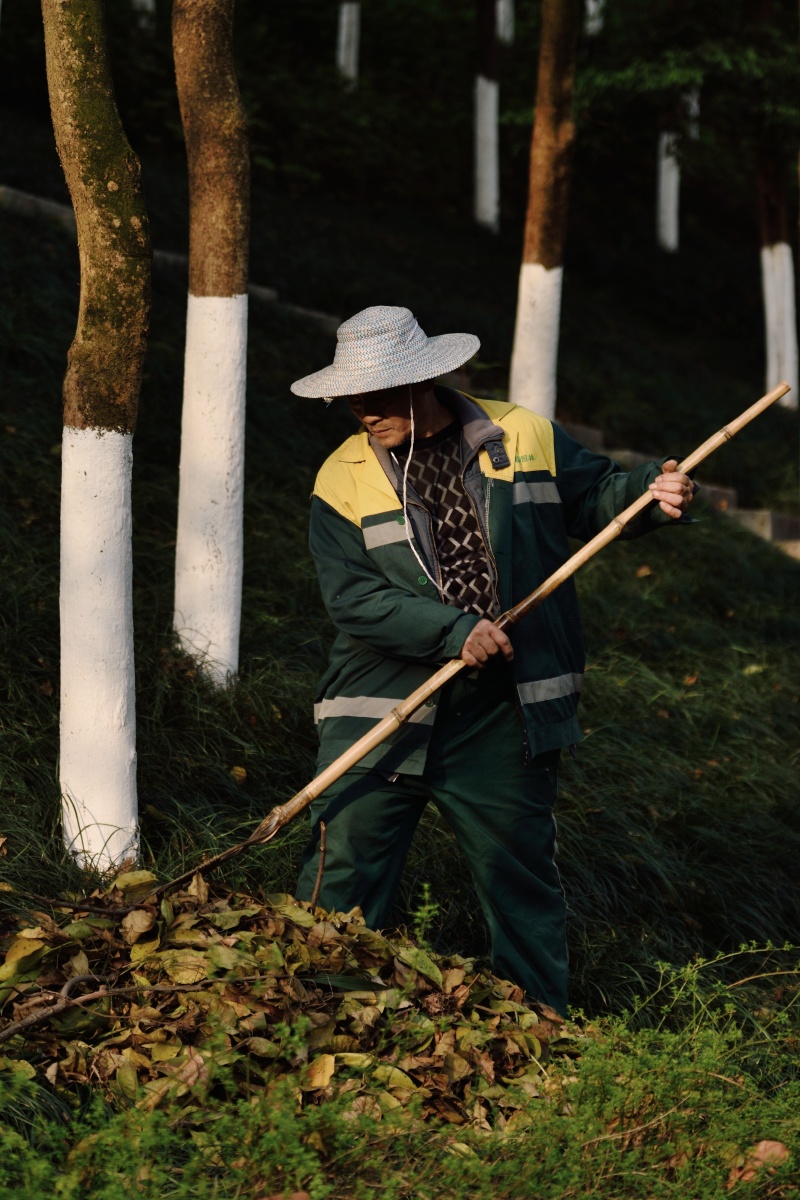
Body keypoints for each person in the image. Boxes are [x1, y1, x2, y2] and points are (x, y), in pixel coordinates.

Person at [290, 305, 695, 1015]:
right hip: (379, 708)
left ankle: (539, 1033)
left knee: (521, 884)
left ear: (424, 380)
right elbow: (352, 598)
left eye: (376, 395)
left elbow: (595, 496)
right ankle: (316, 1025)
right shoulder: (340, 477)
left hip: (502, 714)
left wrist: (648, 493)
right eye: (350, 397)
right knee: (340, 880)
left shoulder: (524, 434)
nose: (360, 410)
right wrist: (454, 631)